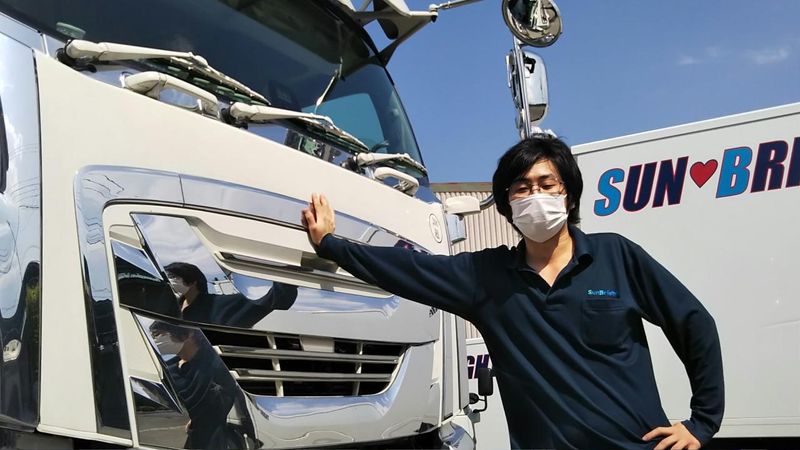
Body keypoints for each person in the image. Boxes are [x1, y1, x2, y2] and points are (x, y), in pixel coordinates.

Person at [301, 136, 724, 450]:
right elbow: (408, 269)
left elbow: (693, 322)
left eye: (547, 184)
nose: (535, 195)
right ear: (507, 205)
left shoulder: (616, 255)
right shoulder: (486, 277)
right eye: (521, 188)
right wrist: (331, 244)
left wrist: (702, 422)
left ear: (568, 194)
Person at [164, 262, 297, 328]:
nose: (168, 281)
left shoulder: (219, 305)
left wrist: (287, 277)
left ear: (192, 281)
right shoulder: (169, 308)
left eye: (173, 277)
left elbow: (270, 301)